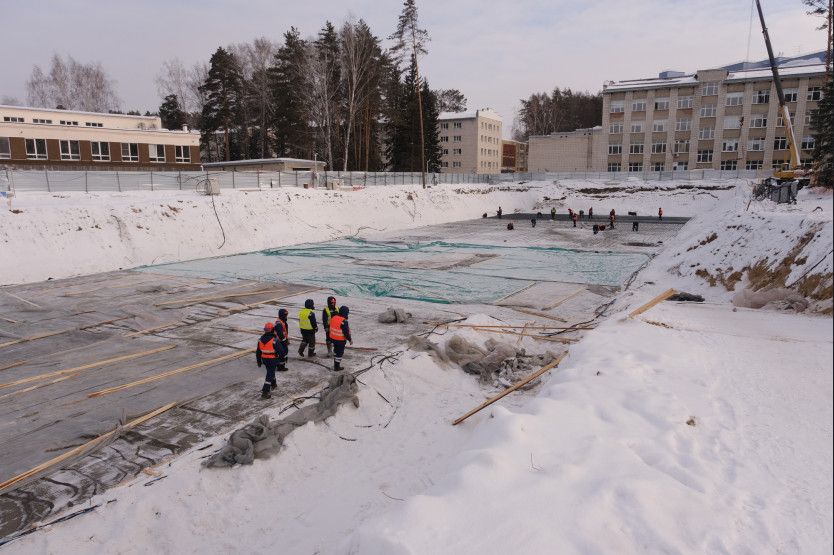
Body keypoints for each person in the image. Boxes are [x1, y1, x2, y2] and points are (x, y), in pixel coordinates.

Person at [255, 322, 286, 399]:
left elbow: (258, 351)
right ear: (273, 330)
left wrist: (258, 360)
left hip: (264, 359)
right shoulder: (274, 340)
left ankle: (273, 384)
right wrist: (284, 357)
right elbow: (281, 351)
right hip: (273, 359)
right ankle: (265, 392)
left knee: (270, 371)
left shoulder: (260, 340)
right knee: (269, 374)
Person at [329, 306, 352, 372]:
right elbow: (346, 332)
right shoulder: (344, 321)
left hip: (333, 338)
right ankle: (337, 367)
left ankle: (335, 364)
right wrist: (350, 339)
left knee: (336, 351)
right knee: (340, 352)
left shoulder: (334, 317)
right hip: (340, 340)